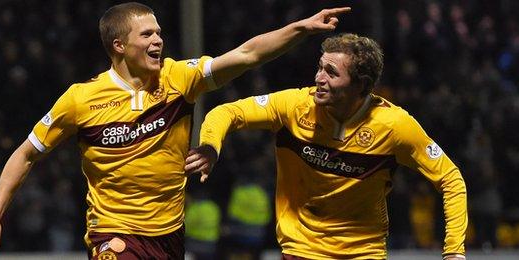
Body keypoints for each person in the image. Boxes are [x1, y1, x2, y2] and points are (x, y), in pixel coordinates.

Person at [0, 2, 351, 259]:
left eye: (159, 32)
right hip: (113, 234)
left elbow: (247, 55)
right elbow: (26, 153)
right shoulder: (81, 99)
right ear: (119, 45)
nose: (158, 40)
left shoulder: (179, 78)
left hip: (169, 236)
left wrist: (300, 28)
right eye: (147, 34)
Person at [185, 33, 468, 259]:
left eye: (331, 72)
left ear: (361, 86)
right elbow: (227, 112)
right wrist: (210, 145)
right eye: (320, 68)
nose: (319, 78)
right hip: (302, 250)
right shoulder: (295, 106)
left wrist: (454, 250)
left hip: (363, 252)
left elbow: (450, 179)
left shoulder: (394, 125)